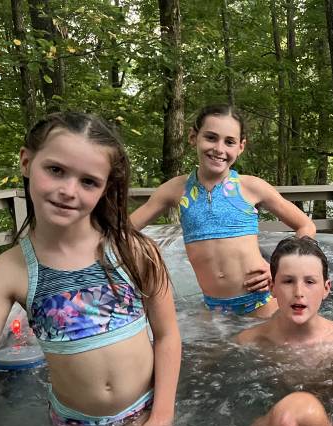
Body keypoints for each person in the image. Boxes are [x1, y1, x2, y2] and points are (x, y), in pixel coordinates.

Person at [0, 112, 182, 426]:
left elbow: (168, 335)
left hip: (143, 409)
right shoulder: (9, 271)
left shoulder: (134, 250)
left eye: (88, 182)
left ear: (105, 188)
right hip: (73, 421)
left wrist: (162, 416)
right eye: (55, 170)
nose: (69, 191)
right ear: (27, 162)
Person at [131, 104, 316, 318]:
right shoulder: (175, 190)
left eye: (229, 142)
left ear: (241, 147)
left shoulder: (251, 187)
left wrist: (280, 267)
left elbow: (306, 225)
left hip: (263, 304)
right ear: (193, 137)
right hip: (213, 311)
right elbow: (122, 229)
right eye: (211, 137)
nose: (219, 149)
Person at [234, 236, 333, 349]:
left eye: (309, 282)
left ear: (326, 289)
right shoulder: (249, 341)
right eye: (288, 281)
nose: (299, 292)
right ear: (272, 287)